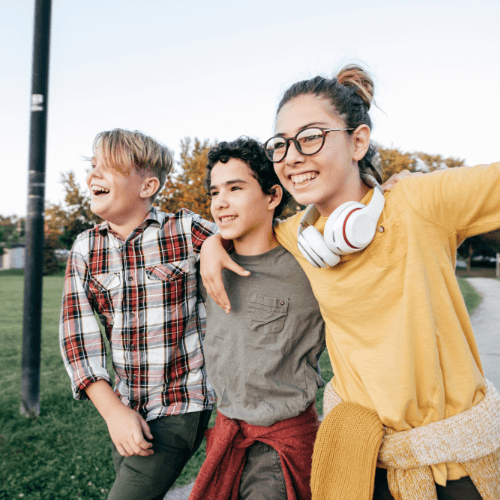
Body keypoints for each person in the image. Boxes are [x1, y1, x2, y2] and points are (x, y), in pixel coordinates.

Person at [200, 66, 500, 500]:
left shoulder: (421, 201)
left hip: (456, 468)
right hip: (361, 464)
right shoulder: (297, 238)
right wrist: (213, 241)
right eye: (281, 144)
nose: (291, 157)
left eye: (311, 137)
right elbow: (238, 221)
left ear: (358, 141)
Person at [59, 129, 216, 500]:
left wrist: (216, 246)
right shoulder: (86, 247)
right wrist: (114, 413)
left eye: (108, 167)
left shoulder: (184, 229)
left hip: (183, 402)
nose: (93, 175)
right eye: (93, 165)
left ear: (147, 186)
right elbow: (77, 337)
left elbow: (246, 236)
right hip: (126, 406)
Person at [189, 137, 326, 500]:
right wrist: (209, 245)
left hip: (279, 444)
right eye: (215, 192)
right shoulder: (208, 266)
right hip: (228, 434)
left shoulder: (308, 265)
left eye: (236, 188)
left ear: (272, 196)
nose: (220, 202)